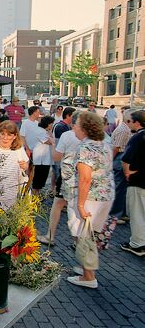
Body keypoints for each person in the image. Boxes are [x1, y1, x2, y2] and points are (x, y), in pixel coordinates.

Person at [67, 112, 114, 289]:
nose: (74, 127)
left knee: (84, 235)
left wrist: (80, 204)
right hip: (106, 195)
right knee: (90, 235)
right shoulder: (104, 144)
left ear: (85, 129)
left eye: (76, 125)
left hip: (91, 197)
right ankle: (87, 269)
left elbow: (85, 178)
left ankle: (89, 276)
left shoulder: (85, 148)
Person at [37, 111, 81, 246]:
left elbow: (56, 157)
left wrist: (53, 144)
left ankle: (50, 236)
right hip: (82, 176)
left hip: (67, 175)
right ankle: (78, 242)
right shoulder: (92, 137)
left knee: (59, 205)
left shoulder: (67, 136)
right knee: (77, 208)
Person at [120, 110, 145, 256]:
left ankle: (137, 244)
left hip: (138, 179)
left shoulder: (137, 138)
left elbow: (126, 159)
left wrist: (127, 173)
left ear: (137, 122)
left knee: (137, 213)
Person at [109, 108, 134, 223]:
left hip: (120, 158)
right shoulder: (123, 130)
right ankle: (116, 214)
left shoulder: (124, 129)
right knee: (119, 188)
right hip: (119, 159)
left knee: (121, 188)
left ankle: (120, 212)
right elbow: (116, 148)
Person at [31, 116, 55, 195]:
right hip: (40, 160)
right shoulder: (40, 131)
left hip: (45, 159)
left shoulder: (44, 131)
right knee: (37, 181)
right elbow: (49, 142)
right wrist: (51, 138)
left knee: (41, 180)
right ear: (48, 124)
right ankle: (34, 197)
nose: (52, 125)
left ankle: (37, 195)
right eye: (51, 123)